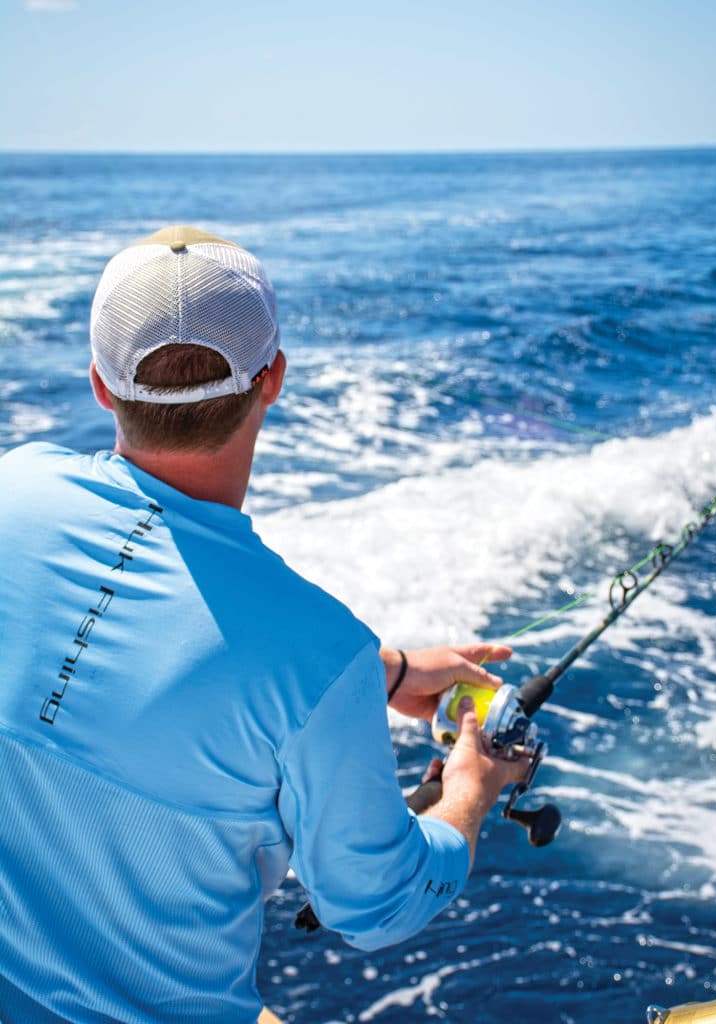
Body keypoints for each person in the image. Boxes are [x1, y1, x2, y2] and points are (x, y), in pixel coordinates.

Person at [0, 226, 532, 1024]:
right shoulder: (316, 653)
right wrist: (468, 791)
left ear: (101, 387)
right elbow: (378, 907)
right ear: (273, 379)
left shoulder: (16, 486)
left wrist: (384, 673)